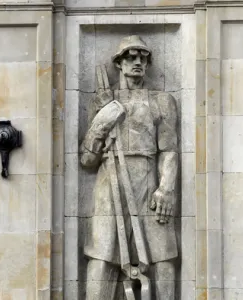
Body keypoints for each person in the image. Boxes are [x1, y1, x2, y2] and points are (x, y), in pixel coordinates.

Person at [81, 35, 178, 300]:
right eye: (130, 56)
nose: (137, 62)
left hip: (147, 179)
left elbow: (168, 150)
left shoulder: (162, 101)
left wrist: (166, 187)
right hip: (109, 181)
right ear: (119, 62)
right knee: (101, 253)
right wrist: (101, 123)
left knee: (162, 254)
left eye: (142, 57)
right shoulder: (101, 100)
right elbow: (87, 160)